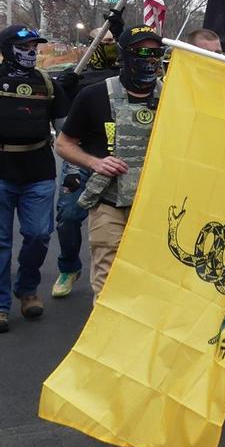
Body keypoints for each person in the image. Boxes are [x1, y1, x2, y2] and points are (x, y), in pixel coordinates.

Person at [54, 25, 164, 299]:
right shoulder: (94, 95)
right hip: (109, 202)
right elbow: (63, 143)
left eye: (155, 52)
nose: (149, 58)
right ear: (124, 55)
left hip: (155, 205)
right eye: (140, 51)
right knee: (108, 285)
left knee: (149, 284)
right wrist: (94, 162)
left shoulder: (174, 96)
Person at [0, 26, 70, 332]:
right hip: (1, 171)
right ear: (8, 48)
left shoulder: (46, 83)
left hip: (39, 171)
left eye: (34, 46)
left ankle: (27, 288)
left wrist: (70, 90)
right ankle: (1, 305)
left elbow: (66, 129)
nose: (32, 51)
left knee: (40, 234)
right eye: (25, 46)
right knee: (1, 243)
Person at [50, 19, 123, 299]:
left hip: (118, 159)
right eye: (100, 42)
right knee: (68, 216)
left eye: (111, 42)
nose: (107, 47)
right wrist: (63, 89)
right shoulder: (76, 75)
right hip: (82, 159)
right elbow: (60, 115)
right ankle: (69, 267)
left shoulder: (128, 73)